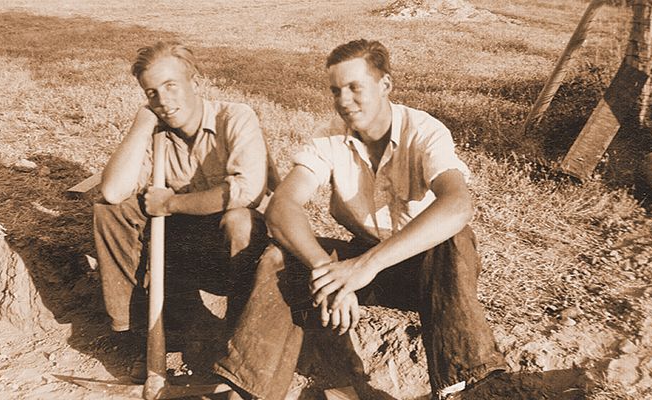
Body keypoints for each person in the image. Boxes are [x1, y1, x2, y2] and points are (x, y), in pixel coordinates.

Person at [213, 39, 507, 400]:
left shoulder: (424, 131)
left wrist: (365, 267)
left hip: (427, 271)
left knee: (454, 239)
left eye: (355, 87)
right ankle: (250, 391)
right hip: (363, 258)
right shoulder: (329, 139)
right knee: (279, 258)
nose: (344, 101)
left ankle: (464, 385)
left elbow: (459, 205)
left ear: (385, 85)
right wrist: (327, 270)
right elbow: (281, 209)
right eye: (336, 90)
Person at [93, 41, 271, 383]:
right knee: (109, 211)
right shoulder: (156, 133)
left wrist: (171, 203)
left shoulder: (235, 117)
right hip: (179, 251)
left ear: (196, 82)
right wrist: (142, 124)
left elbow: (246, 190)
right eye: (152, 92)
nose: (163, 100)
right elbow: (113, 191)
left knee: (239, 220)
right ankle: (140, 335)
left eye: (171, 86)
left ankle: (237, 346)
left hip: (239, 251)